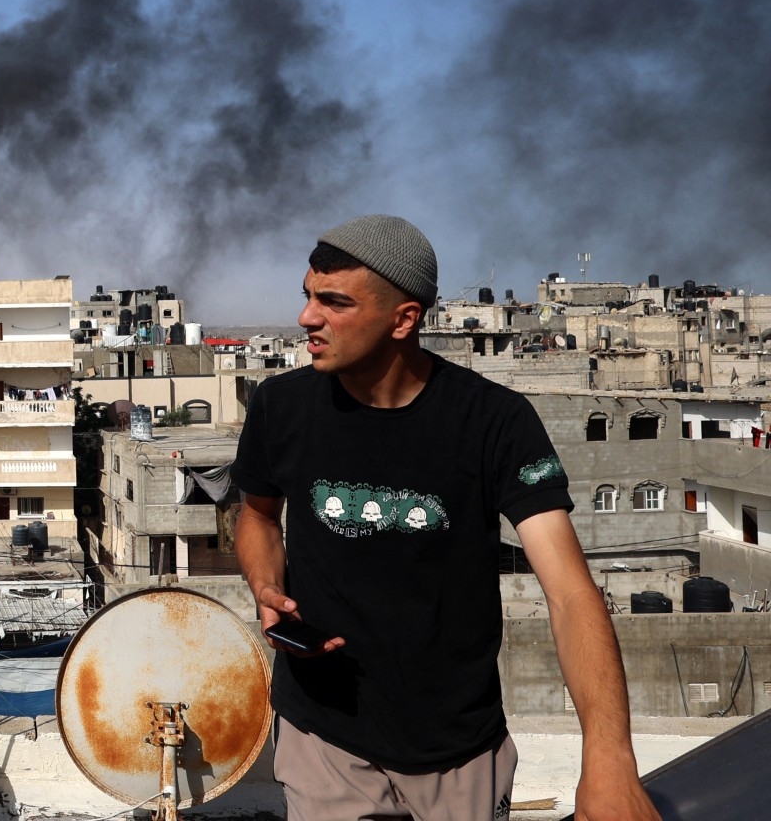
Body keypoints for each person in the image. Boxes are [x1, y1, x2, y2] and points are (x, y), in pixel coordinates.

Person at [234, 215, 659, 821]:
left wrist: (610, 759)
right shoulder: (281, 405)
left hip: (458, 749)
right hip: (322, 734)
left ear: (404, 319)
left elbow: (568, 592)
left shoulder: (495, 423)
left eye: (333, 302)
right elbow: (256, 516)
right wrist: (264, 585)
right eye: (307, 296)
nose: (307, 318)